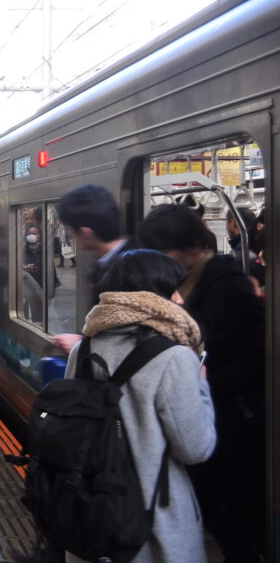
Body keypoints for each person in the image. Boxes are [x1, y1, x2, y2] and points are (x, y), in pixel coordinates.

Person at [63, 249, 216, 563]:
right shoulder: (174, 358)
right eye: (175, 291)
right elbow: (196, 448)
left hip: (89, 511)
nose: (181, 300)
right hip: (149, 528)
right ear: (155, 296)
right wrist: (200, 381)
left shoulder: (84, 348)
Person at [138, 204, 266, 561]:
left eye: (165, 253)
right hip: (201, 416)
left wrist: (203, 382)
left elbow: (261, 355)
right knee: (212, 507)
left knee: (236, 514)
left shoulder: (230, 287)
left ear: (192, 248)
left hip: (234, 421)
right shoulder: (178, 285)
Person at [51, 184, 138, 354]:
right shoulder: (106, 262)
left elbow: (133, 340)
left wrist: (82, 344)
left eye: (70, 229)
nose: (69, 234)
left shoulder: (136, 271)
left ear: (85, 232)